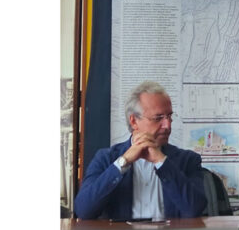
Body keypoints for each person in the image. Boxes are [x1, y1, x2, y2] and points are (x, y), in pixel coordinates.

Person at [74, 81, 208, 220]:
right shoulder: (106, 158)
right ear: (133, 121)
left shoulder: (188, 160)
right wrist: (123, 163)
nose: (167, 125)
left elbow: (195, 209)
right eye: (158, 118)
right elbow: (84, 210)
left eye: (169, 116)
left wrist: (161, 162)